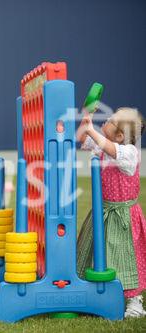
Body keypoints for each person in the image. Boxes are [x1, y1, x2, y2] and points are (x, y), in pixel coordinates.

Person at [76, 107, 146, 318]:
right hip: (104, 212)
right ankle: (96, 291)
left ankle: (135, 301)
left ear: (120, 136)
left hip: (124, 217)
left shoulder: (129, 153)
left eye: (111, 120)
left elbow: (110, 149)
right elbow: (83, 138)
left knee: (127, 258)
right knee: (98, 252)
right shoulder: (103, 147)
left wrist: (93, 131)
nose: (106, 120)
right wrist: (86, 118)